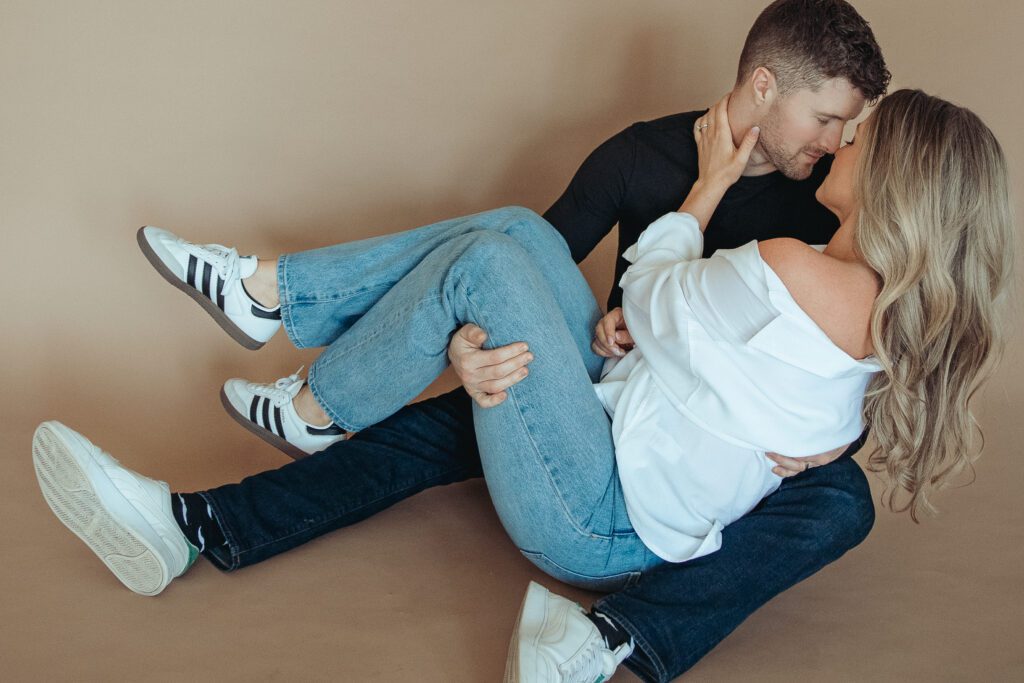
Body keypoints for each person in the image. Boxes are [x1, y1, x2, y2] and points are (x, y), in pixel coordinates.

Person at [29, 2, 931, 682]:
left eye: (848, 131)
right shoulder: (639, 156)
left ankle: (303, 378)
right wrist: (462, 341)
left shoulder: (809, 223)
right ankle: (203, 499)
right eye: (827, 120)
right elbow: (530, 263)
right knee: (504, 261)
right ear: (765, 89)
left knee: (841, 493)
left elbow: (832, 361)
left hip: (652, 466)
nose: (833, 144)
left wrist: (831, 439)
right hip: (617, 394)